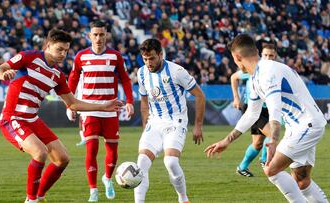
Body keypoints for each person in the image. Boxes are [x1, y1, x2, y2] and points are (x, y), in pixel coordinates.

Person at [0, 28, 122, 203]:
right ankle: (31, 200)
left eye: (66, 50)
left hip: (32, 119)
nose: (63, 54)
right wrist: (3, 74)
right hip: (12, 118)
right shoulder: (28, 57)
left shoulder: (58, 76)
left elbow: (73, 103)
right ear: (48, 45)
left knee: (62, 159)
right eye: (59, 49)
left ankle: (40, 195)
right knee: (40, 153)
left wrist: (104, 106)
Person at [205, 34, 328, 203]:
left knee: (271, 170)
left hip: (306, 125)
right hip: (301, 125)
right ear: (256, 51)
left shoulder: (267, 72)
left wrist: (274, 139)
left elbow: (274, 108)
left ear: (236, 57)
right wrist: (227, 141)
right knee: (301, 181)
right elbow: (251, 114)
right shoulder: (256, 78)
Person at [66, 20, 134, 202]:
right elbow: (72, 80)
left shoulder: (115, 56)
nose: (98, 38)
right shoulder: (80, 57)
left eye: (102, 34)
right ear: (89, 36)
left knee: (112, 152)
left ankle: (108, 179)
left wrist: (129, 101)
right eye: (95, 34)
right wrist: (69, 105)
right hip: (89, 110)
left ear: (107, 35)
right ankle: (93, 191)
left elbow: (126, 80)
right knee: (92, 150)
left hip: (110, 110)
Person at [134, 38, 205, 203]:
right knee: (142, 162)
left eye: (151, 58)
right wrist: (146, 126)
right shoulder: (142, 73)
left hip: (175, 122)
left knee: (171, 161)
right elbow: (144, 102)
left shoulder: (177, 71)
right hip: (155, 122)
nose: (148, 63)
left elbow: (200, 95)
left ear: (160, 54)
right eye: (145, 59)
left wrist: (198, 126)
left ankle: (183, 198)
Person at [230, 44, 277, 177]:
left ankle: (242, 167)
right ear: (261, 55)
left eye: (271, 55)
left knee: (257, 144)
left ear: (275, 56)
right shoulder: (255, 69)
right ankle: (264, 160)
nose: (268, 58)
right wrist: (236, 98)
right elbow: (234, 77)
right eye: (265, 55)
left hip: (267, 109)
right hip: (252, 109)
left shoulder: (276, 71)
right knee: (272, 134)